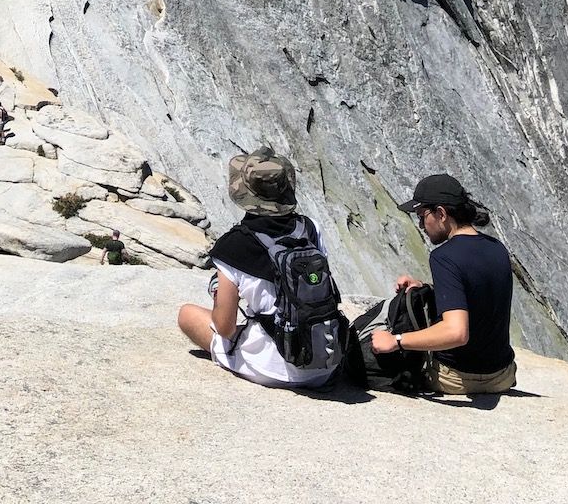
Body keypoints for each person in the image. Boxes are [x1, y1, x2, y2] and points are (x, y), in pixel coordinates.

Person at [177, 146, 339, 390]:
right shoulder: (310, 228)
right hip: (324, 361)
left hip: (270, 368)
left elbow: (225, 326)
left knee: (187, 314)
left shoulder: (234, 244)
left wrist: (217, 293)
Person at [373, 174, 516, 395]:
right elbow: (477, 293)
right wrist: (426, 288)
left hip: (456, 378)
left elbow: (456, 332)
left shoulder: (444, 257)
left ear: (441, 213)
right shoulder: (496, 248)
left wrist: (396, 341)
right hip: (502, 376)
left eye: (422, 216)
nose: (421, 225)